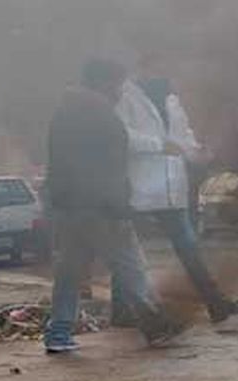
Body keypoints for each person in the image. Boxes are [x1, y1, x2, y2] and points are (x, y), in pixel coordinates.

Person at [44, 59, 184, 354]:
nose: (121, 91)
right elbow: (109, 167)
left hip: (70, 207)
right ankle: (156, 326)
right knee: (131, 266)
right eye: (118, 84)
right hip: (102, 207)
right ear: (104, 82)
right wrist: (119, 206)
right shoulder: (101, 115)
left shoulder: (64, 111)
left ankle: (58, 333)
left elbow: (60, 162)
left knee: (69, 272)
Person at [113, 74, 238, 324]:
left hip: (172, 189)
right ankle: (121, 311)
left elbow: (183, 137)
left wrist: (197, 152)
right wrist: (158, 145)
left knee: (189, 248)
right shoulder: (126, 97)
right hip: (139, 188)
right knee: (126, 251)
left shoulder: (173, 100)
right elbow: (121, 134)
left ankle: (216, 304)